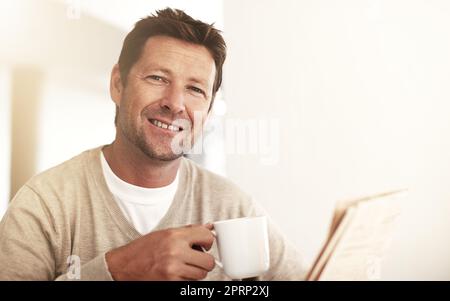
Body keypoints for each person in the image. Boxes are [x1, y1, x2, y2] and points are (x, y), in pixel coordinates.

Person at [0, 8, 305, 280]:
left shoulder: (233, 207)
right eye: (158, 78)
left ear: (209, 112)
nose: (175, 104)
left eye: (196, 89)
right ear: (118, 84)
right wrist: (119, 268)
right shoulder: (44, 206)